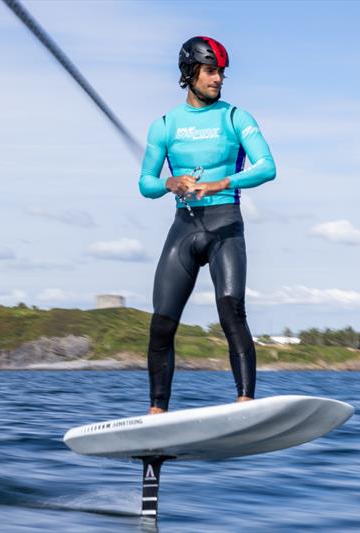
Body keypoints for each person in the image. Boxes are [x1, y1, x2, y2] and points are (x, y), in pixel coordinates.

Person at [138, 36, 276, 414]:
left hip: (224, 225)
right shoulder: (165, 126)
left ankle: (244, 404)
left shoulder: (236, 118)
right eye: (211, 71)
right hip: (185, 227)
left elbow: (268, 167)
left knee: (232, 312)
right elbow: (145, 183)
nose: (218, 79)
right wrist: (170, 182)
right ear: (190, 73)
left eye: (221, 73)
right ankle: (156, 414)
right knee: (162, 325)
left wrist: (222, 183)